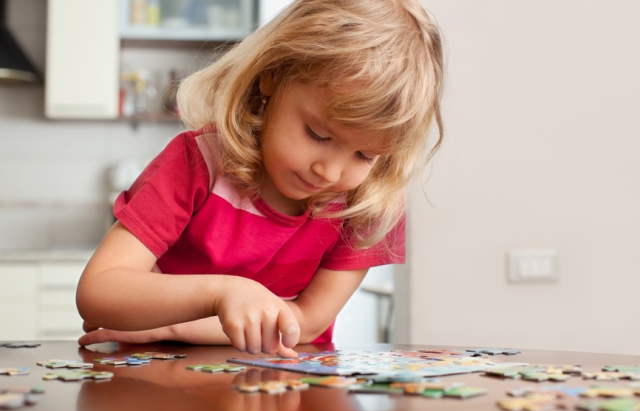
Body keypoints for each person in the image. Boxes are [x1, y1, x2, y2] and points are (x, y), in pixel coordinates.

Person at [76, 0, 444, 358]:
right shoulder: (197, 162)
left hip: (287, 396)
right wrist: (221, 294)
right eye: (318, 134)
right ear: (271, 77)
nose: (330, 172)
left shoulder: (369, 203)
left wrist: (171, 327)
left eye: (365, 155)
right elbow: (99, 291)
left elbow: (308, 323)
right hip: (155, 387)